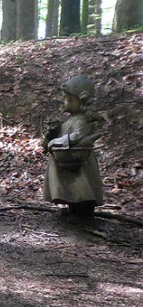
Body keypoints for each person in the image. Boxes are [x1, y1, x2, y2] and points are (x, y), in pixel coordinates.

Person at [42, 75, 104, 227]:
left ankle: (84, 214)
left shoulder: (81, 120)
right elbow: (65, 134)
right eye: (64, 99)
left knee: (81, 187)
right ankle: (73, 209)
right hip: (66, 159)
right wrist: (51, 136)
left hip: (79, 161)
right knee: (70, 186)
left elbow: (76, 137)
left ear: (82, 103)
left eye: (69, 100)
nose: (64, 103)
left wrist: (55, 142)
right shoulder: (72, 119)